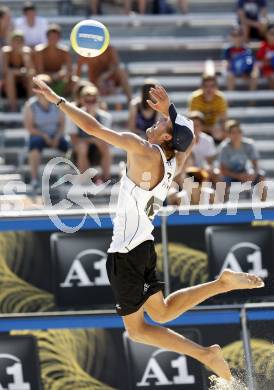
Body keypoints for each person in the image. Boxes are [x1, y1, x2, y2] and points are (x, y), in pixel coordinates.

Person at [32, 76, 264, 382]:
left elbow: (94, 129)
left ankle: (204, 352)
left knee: (138, 329)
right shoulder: (173, 164)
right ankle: (221, 288)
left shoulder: (141, 148)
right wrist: (172, 110)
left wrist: (57, 100)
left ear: (167, 138)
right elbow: (188, 139)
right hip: (142, 247)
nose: (154, 123)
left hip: (127, 252)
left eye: (161, 124)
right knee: (164, 313)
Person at [24, 74, 69, 189]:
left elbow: (62, 126)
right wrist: (44, 136)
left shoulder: (58, 102)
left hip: (55, 135)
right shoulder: (30, 105)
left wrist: (57, 137)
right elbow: (29, 127)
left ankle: (66, 178)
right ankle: (34, 179)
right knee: (34, 146)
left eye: (46, 84)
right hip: (38, 135)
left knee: (68, 147)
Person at [67, 85, 112, 182]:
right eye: (88, 101)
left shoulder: (105, 117)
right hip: (79, 151)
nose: (90, 104)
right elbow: (73, 140)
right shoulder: (74, 116)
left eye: (93, 101)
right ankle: (87, 181)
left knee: (104, 146)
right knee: (83, 147)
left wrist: (92, 115)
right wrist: (91, 140)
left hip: (98, 150)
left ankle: (106, 179)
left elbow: (107, 139)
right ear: (82, 100)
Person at [219, 119, 267, 201]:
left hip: (246, 173)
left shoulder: (249, 144)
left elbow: (256, 165)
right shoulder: (224, 147)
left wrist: (253, 175)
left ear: (241, 133)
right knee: (221, 182)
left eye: (238, 132)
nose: (236, 135)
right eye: (233, 132)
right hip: (231, 174)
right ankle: (223, 207)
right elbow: (223, 170)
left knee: (261, 176)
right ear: (228, 134)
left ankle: (263, 204)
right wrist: (238, 176)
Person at [34, 24, 73, 96]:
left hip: (59, 77)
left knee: (74, 81)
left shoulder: (65, 51)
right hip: (45, 77)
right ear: (47, 37)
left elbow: (69, 70)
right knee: (42, 80)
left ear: (59, 38)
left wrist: (61, 74)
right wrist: (52, 76)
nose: (53, 39)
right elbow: (39, 71)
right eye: (51, 37)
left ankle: (68, 102)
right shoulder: (39, 51)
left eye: (55, 37)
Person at [188, 74, 228, 143]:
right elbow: (193, 121)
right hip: (198, 128)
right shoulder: (195, 98)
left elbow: (223, 120)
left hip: (213, 128)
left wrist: (224, 131)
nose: (209, 89)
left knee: (222, 132)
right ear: (201, 87)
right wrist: (210, 129)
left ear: (216, 87)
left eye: (212, 86)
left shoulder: (220, 98)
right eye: (206, 86)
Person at [2, 30, 34, 111]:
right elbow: (5, 71)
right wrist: (20, 72)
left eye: (20, 41)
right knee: (9, 75)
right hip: (7, 88)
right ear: (11, 42)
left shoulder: (26, 52)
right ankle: (13, 108)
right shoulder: (6, 52)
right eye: (15, 41)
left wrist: (24, 55)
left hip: (23, 85)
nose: (17, 43)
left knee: (31, 76)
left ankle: (31, 107)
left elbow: (30, 70)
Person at [223, 26, 258, 91]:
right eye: (234, 35)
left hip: (245, 72)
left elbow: (250, 63)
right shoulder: (228, 49)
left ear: (242, 37)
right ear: (231, 37)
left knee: (254, 75)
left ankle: (252, 100)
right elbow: (226, 64)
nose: (237, 38)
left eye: (239, 35)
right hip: (233, 71)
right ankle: (231, 99)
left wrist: (246, 71)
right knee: (230, 76)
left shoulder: (247, 49)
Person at [256, 24, 274, 89]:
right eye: (271, 33)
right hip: (267, 70)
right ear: (267, 35)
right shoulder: (264, 46)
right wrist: (269, 63)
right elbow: (259, 61)